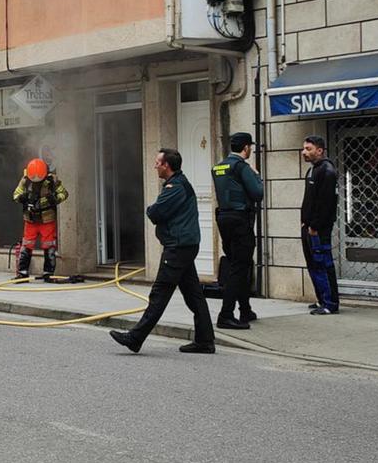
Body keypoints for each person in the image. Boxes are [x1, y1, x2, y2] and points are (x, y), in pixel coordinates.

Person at [110, 148, 215, 354]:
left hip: (177, 247)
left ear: (166, 165)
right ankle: (205, 341)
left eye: (158, 162)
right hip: (184, 245)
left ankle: (135, 338)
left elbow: (155, 213)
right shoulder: (177, 184)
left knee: (160, 293)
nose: (155, 165)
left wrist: (152, 209)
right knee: (194, 296)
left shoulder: (175, 187)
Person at [211, 132, 264, 330]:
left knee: (239, 263)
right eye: (250, 146)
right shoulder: (241, 166)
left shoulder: (219, 167)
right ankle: (226, 314)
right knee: (239, 267)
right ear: (246, 147)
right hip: (241, 220)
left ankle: (245, 309)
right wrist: (257, 177)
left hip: (224, 219)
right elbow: (258, 194)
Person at [12, 158, 69, 281]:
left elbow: (64, 193)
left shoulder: (51, 181)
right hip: (30, 220)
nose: (36, 180)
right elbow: (15, 195)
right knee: (27, 246)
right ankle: (22, 273)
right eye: (34, 178)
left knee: (49, 246)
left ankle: (48, 273)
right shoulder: (25, 181)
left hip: (47, 220)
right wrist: (23, 198)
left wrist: (52, 199)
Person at [301, 136, 340, 315]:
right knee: (313, 264)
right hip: (309, 226)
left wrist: (314, 226)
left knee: (322, 263)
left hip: (318, 229)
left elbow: (326, 203)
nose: (304, 152)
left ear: (320, 150)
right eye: (304, 149)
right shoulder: (313, 170)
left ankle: (330, 303)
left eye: (308, 149)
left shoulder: (327, 171)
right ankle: (321, 299)